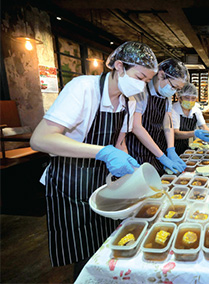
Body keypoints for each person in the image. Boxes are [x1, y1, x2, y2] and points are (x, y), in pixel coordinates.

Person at [30, 41, 158, 277]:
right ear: (119, 66)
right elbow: (40, 139)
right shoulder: (83, 88)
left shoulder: (129, 101)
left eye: (147, 81)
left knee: (106, 245)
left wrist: (134, 175)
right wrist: (102, 152)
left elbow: (120, 143)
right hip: (70, 183)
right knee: (84, 252)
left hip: (101, 182)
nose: (142, 86)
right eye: (140, 77)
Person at [122, 58, 189, 176]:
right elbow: (136, 127)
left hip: (155, 149)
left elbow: (167, 124)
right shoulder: (141, 91)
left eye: (178, 89)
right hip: (136, 150)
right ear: (161, 75)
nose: (174, 91)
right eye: (174, 86)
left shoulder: (166, 95)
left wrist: (171, 149)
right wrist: (162, 156)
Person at [172, 83, 209, 155]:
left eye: (193, 98)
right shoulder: (173, 110)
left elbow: (204, 127)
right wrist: (195, 133)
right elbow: (175, 134)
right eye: (187, 98)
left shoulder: (196, 110)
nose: (190, 101)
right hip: (171, 148)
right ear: (179, 97)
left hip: (185, 147)